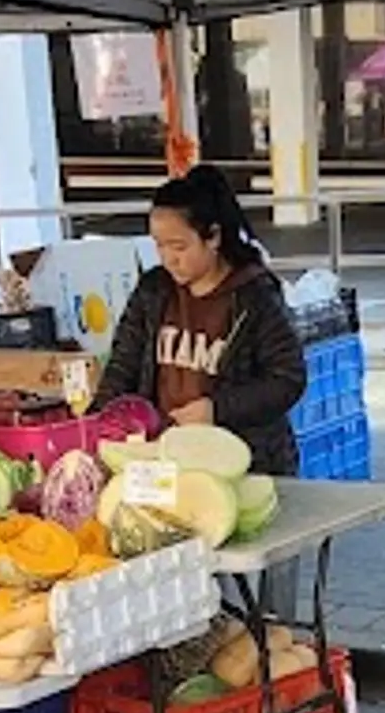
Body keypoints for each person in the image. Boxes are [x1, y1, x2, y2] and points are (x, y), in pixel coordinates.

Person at [96, 164, 306, 478]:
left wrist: (216, 409)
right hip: (162, 458)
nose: (169, 258)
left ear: (213, 237)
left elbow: (287, 379)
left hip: (242, 462)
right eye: (160, 246)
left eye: (179, 246)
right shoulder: (153, 289)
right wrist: (97, 424)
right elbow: (122, 367)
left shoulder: (254, 297)